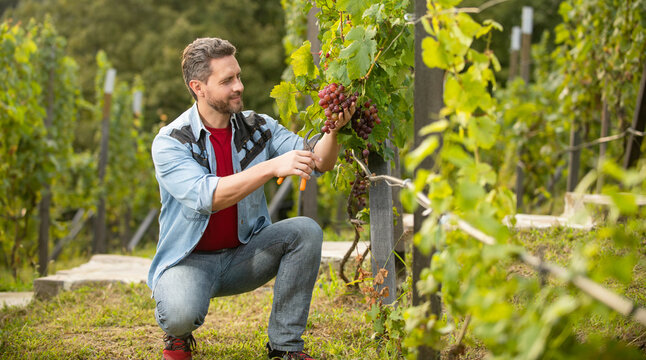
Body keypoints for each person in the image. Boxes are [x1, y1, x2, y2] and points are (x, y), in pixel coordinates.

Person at [148, 37, 355, 360]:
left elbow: (318, 162)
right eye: (227, 80)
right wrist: (271, 167)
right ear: (198, 87)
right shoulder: (172, 141)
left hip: (245, 255)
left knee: (305, 231)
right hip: (190, 260)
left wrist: (333, 131)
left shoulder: (258, 127)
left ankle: (284, 346)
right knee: (179, 313)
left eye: (238, 76)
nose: (239, 86)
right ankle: (178, 334)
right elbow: (208, 196)